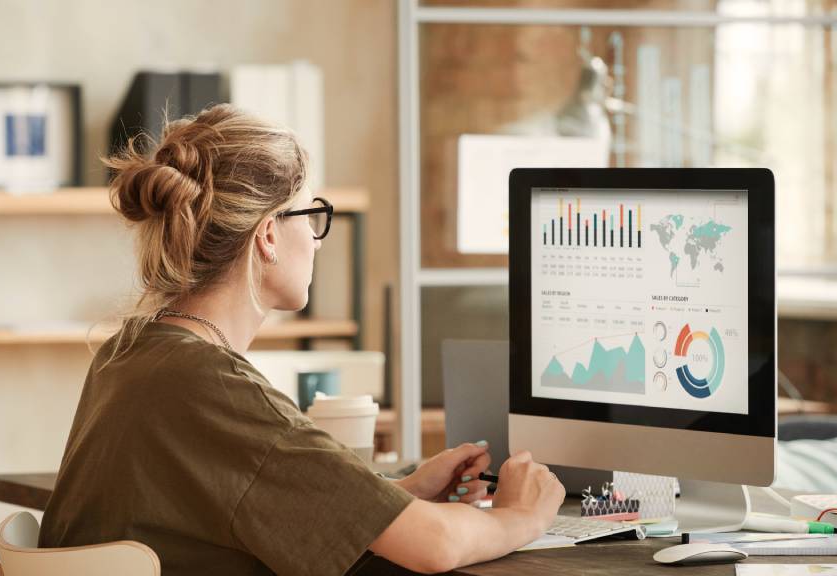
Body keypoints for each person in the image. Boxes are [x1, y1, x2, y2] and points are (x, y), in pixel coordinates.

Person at [38, 104, 565, 575]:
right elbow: (436, 546)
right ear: (268, 234)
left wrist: (396, 496)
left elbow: (234, 500)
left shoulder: (128, 352)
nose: (316, 241)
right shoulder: (213, 386)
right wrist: (522, 516)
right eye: (311, 217)